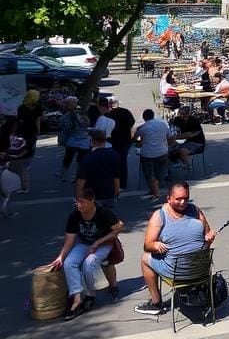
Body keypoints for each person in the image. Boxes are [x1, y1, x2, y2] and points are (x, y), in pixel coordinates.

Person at [135, 180, 218, 315]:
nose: (182, 203)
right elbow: (149, 245)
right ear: (168, 198)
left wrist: (210, 236)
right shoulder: (162, 215)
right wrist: (155, 245)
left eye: (186, 198)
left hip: (177, 273)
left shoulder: (193, 210)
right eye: (178, 199)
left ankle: (156, 303)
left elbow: (146, 246)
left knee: (145, 259)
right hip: (201, 271)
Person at [50, 187, 124, 320]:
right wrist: (61, 256)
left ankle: (90, 294)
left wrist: (98, 242)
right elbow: (70, 238)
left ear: (92, 201)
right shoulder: (75, 215)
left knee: (88, 264)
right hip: (84, 244)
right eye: (77, 202)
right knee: (69, 263)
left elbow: (117, 229)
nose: (79, 205)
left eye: (82, 202)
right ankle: (77, 298)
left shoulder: (103, 213)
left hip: (103, 245)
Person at [76, 130, 121, 209]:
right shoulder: (114, 155)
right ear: (105, 140)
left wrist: (79, 198)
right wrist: (116, 191)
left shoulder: (87, 158)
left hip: (91, 195)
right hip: (108, 193)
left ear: (91, 140)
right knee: (107, 217)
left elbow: (81, 180)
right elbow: (116, 176)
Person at [135, 109, 170, 203]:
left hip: (147, 153)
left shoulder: (143, 128)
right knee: (160, 171)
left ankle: (155, 191)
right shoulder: (163, 125)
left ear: (144, 117)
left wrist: (139, 142)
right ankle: (156, 187)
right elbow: (169, 136)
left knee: (149, 173)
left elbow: (136, 140)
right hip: (162, 151)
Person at [10, 90, 42, 193]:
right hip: (32, 134)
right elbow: (38, 121)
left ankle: (23, 185)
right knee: (28, 156)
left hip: (22, 134)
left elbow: (20, 121)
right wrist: (38, 132)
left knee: (19, 158)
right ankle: (25, 175)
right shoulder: (38, 107)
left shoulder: (21, 107)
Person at [57, 96, 91, 181]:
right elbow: (88, 123)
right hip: (84, 141)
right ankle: (79, 176)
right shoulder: (82, 114)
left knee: (68, 159)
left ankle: (63, 175)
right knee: (81, 160)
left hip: (73, 140)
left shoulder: (65, 116)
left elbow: (63, 128)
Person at [106, 97, 136, 191]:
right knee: (123, 161)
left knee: (112, 161)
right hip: (125, 139)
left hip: (113, 139)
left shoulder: (109, 114)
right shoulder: (125, 112)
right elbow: (132, 122)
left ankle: (113, 181)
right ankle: (122, 183)